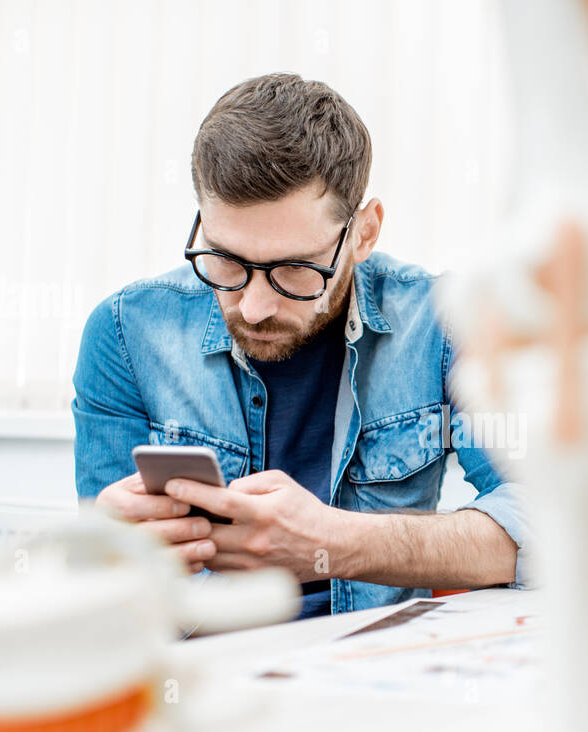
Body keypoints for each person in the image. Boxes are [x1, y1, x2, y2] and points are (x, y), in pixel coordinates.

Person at [72, 74, 527, 618]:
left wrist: (336, 543)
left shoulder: (445, 324)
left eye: (294, 269)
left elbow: (549, 522)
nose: (254, 306)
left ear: (363, 233)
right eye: (226, 260)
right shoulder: (124, 334)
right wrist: (107, 546)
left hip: (369, 669)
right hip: (203, 675)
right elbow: (105, 596)